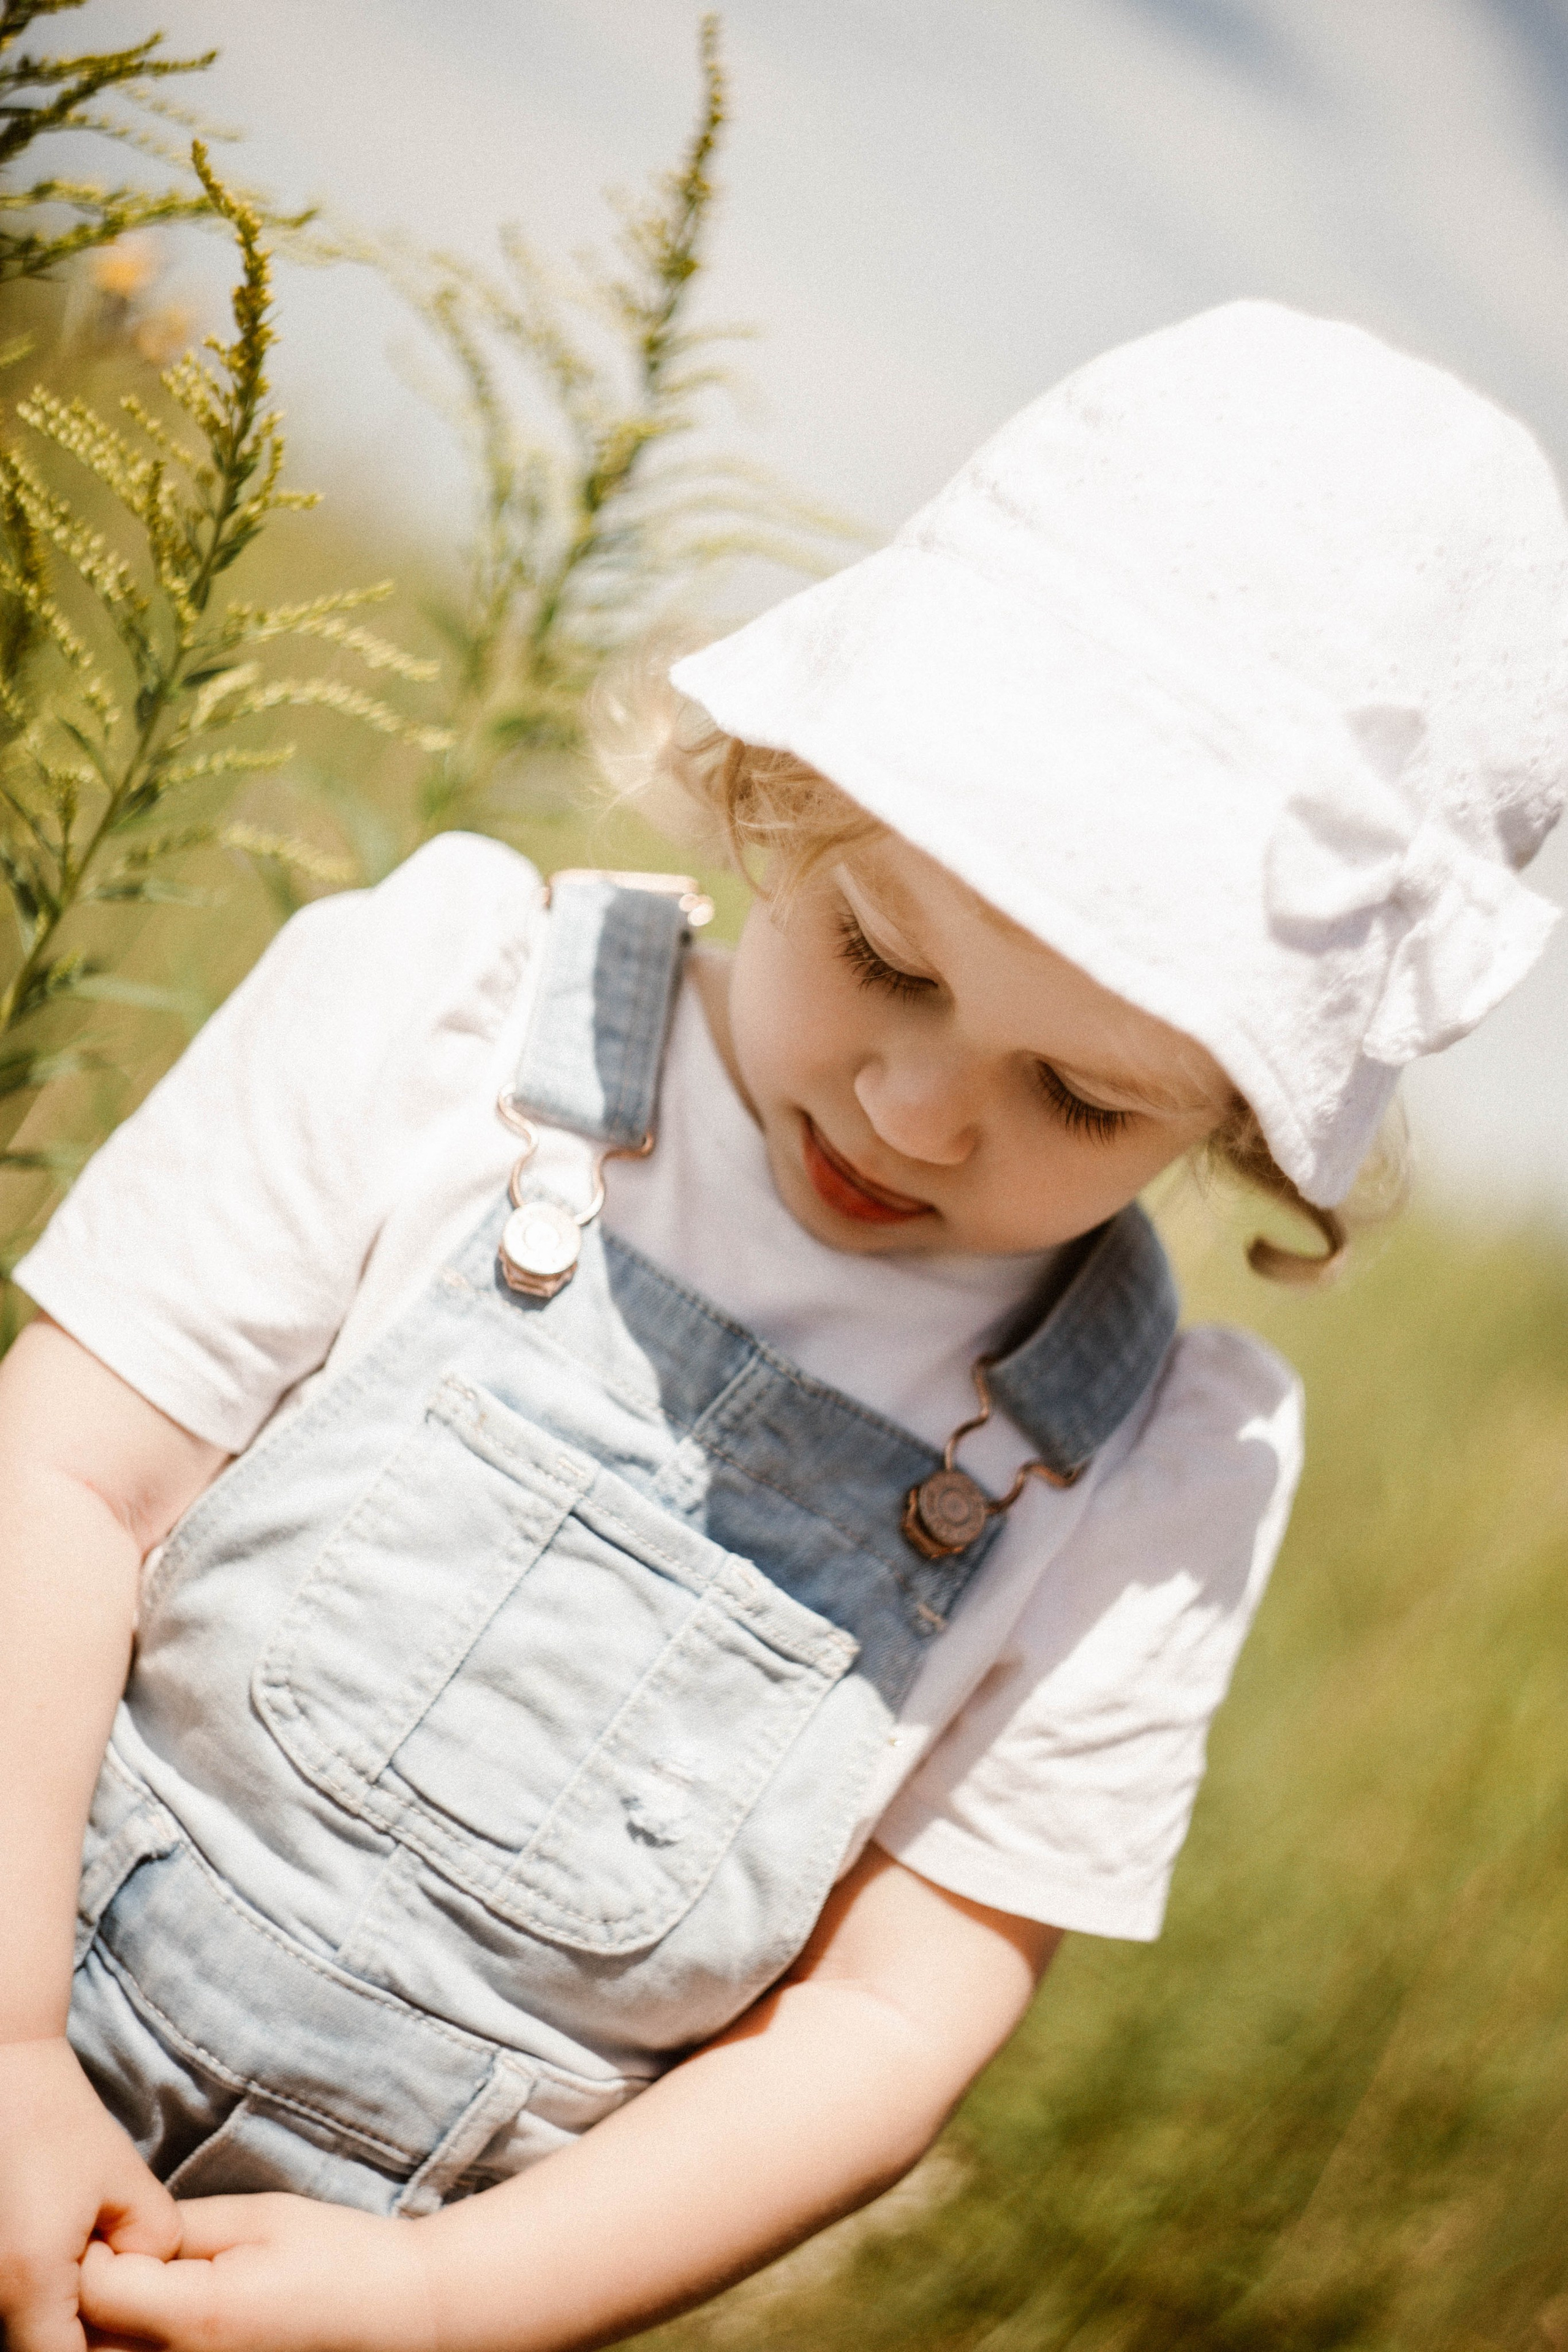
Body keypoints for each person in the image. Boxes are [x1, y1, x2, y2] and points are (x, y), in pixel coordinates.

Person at [1, 300, 1564, 2352]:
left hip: (427, 2270)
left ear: (1246, 1133)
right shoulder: (458, 1015)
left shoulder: (1143, 1469)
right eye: (879, 957)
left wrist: (459, 2300)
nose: (917, 1113)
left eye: (1082, 1101)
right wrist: (15, 2047)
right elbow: (67, 1482)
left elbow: (900, 2013)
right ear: (789, 790)